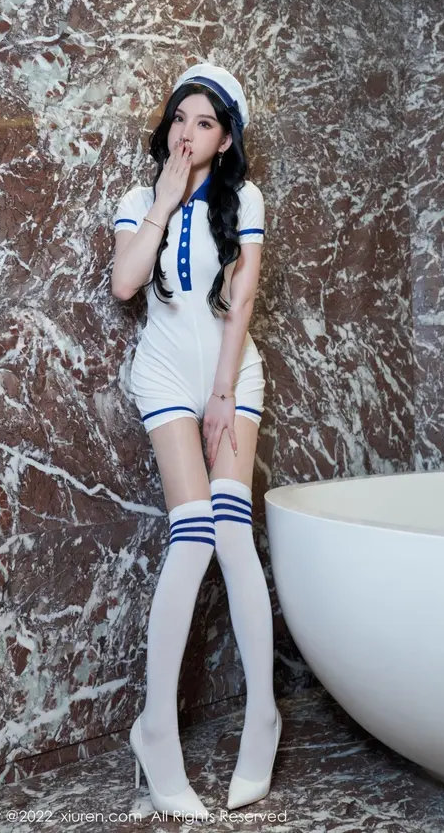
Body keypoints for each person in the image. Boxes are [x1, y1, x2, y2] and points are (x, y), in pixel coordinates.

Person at [111, 63, 281, 818]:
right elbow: (125, 284)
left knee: (232, 537)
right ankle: (156, 730)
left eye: (205, 123)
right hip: (162, 373)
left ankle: (263, 719)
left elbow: (241, 301)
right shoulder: (138, 200)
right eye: (180, 117)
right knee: (193, 538)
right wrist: (164, 200)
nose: (187, 132)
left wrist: (221, 392)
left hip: (229, 373)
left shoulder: (245, 199)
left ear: (227, 138)